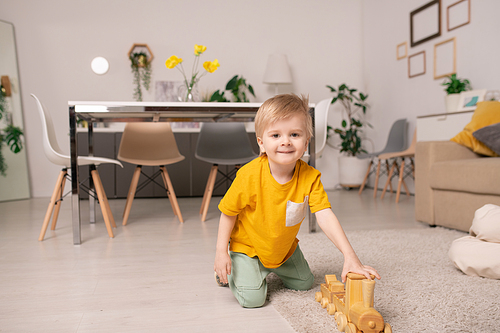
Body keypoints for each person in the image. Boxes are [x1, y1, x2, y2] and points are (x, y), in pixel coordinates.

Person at [214, 93, 380, 308]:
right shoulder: (248, 176)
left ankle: (272, 268)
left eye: (294, 134)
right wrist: (220, 253)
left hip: (283, 251)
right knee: (252, 300)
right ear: (261, 143)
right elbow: (228, 213)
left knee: (305, 283)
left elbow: (325, 215)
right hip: (249, 249)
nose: (285, 141)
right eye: (275, 135)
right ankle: (236, 268)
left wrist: (350, 257)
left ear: (306, 142)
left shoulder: (310, 177)